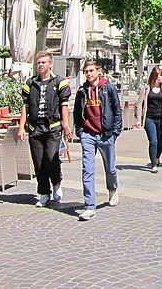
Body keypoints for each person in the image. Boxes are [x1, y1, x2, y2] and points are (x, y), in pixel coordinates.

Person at [19, 51, 72, 208]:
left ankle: (56, 181)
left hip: (53, 127)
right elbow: (25, 106)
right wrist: (21, 127)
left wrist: (65, 124)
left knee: (51, 158)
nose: (40, 65)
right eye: (38, 63)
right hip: (35, 128)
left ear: (51, 64)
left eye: (43, 62)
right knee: (39, 162)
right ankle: (43, 193)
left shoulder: (59, 83)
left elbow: (64, 105)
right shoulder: (30, 83)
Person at [73, 61, 123, 221]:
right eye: (86, 71)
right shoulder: (82, 91)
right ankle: (89, 206)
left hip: (106, 134)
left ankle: (113, 189)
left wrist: (114, 133)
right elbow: (77, 113)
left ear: (98, 72)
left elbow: (117, 110)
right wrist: (80, 132)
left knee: (110, 168)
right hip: (88, 134)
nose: (88, 74)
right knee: (87, 170)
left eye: (91, 71)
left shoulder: (108, 88)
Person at [135, 66, 162, 173]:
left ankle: (157, 157)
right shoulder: (146, 89)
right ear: (155, 77)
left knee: (160, 142)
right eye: (161, 75)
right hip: (149, 118)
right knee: (153, 141)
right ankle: (153, 164)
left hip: (161, 119)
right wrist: (139, 119)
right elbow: (139, 105)